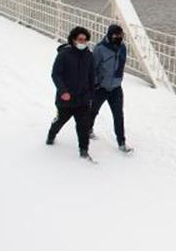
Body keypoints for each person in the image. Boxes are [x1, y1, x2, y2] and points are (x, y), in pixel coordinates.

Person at [46, 27, 96, 162]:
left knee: (83, 126)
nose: (83, 42)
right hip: (66, 98)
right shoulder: (64, 54)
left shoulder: (89, 55)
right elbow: (55, 74)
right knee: (61, 121)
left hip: (83, 99)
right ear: (73, 39)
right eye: (80, 39)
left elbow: (92, 76)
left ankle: (84, 151)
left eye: (85, 40)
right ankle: (51, 135)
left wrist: (91, 94)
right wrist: (63, 91)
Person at [91, 24, 133, 153]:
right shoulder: (99, 49)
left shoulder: (122, 48)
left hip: (116, 88)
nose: (119, 38)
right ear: (110, 35)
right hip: (101, 88)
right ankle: (87, 130)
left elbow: (120, 65)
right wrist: (96, 83)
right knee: (93, 111)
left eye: (121, 36)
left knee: (118, 115)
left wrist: (118, 80)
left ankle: (121, 142)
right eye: (116, 35)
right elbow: (93, 68)